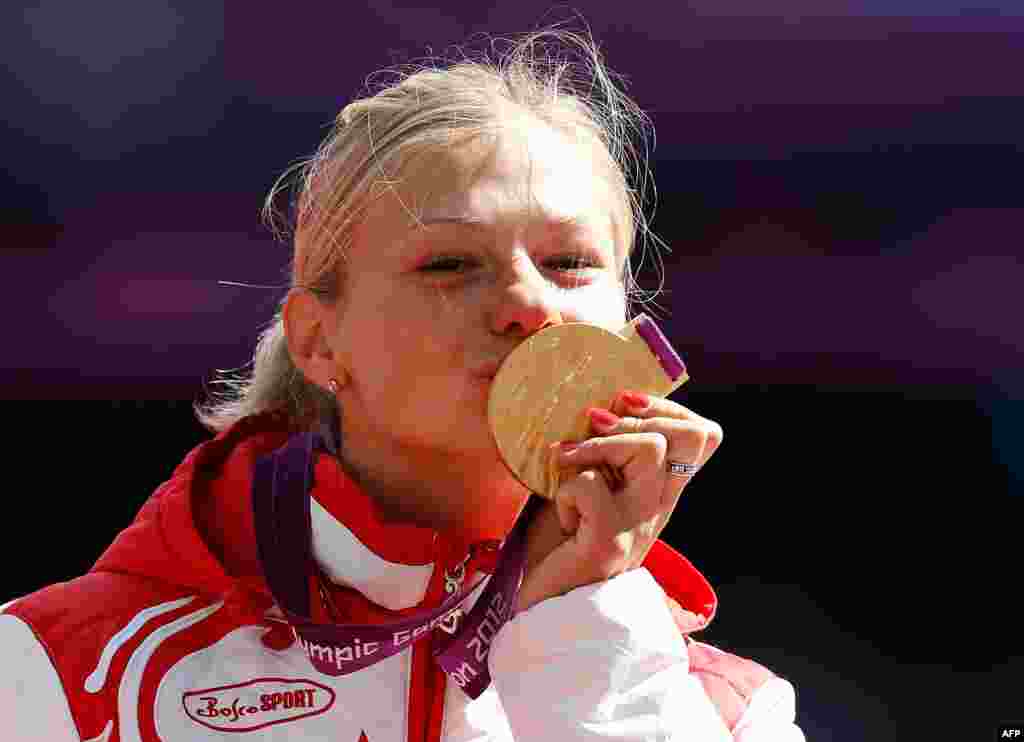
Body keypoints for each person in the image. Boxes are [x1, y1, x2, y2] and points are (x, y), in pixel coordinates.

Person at [0, 25, 806, 741]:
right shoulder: (56, 675)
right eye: (450, 265)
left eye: (570, 263)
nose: (529, 303)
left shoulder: (732, 714)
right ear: (318, 342)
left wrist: (588, 623)